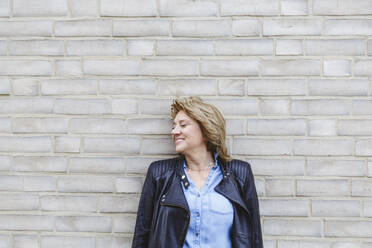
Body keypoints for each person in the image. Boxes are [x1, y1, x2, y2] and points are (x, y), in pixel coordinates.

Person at [131, 96, 263, 248]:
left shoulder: (240, 174)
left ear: (206, 130)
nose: (174, 131)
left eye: (183, 125)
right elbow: (142, 235)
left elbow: (254, 237)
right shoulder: (160, 174)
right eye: (174, 126)